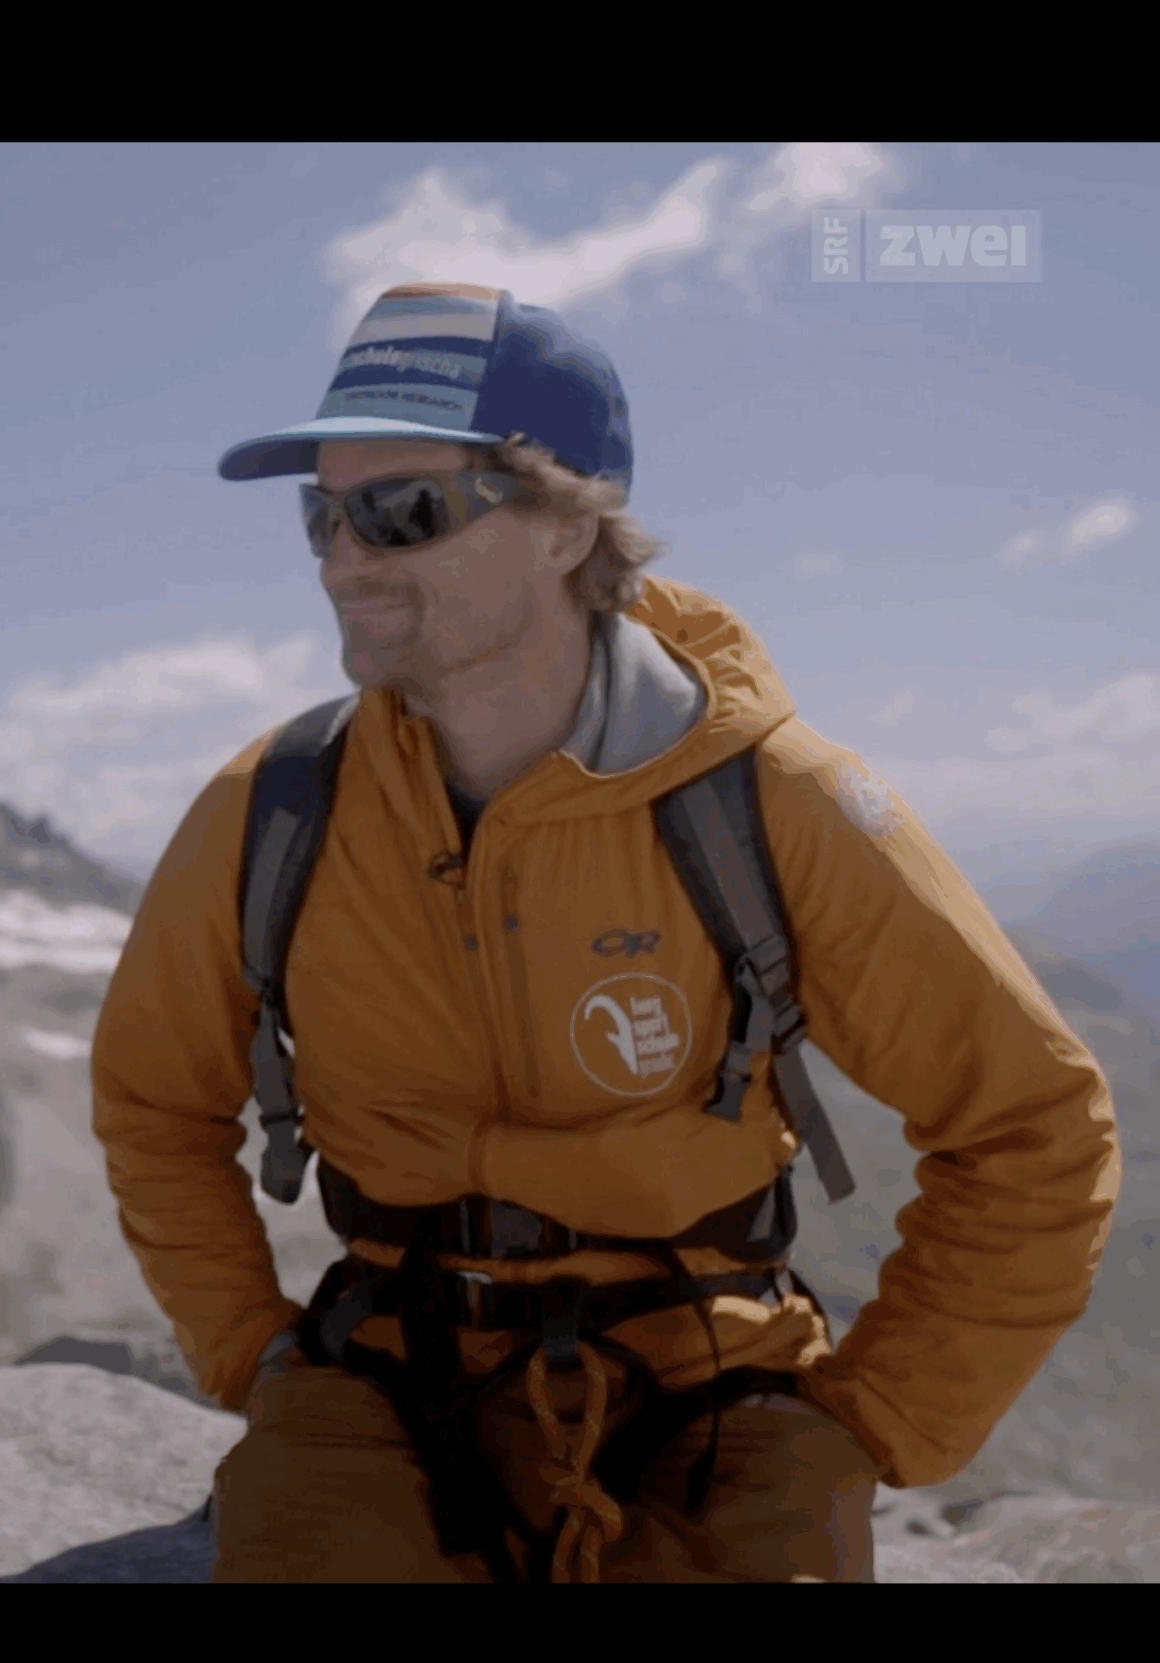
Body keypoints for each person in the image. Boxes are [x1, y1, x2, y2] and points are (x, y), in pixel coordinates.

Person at [90, 281, 1121, 1583]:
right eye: (321, 515)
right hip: (385, 1377)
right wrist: (257, 1352)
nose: (342, 561)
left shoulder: (773, 799)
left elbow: (1031, 1129)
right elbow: (153, 1100)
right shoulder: (272, 810)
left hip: (712, 1381)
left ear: (567, 524)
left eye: (400, 511)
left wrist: (865, 1425)